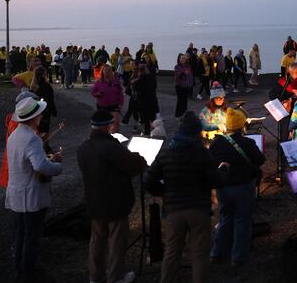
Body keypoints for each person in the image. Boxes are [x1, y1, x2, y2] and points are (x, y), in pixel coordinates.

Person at [144, 112, 228, 283]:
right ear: (196, 132)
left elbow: (148, 179)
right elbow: (216, 181)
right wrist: (223, 170)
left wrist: (163, 191)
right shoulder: (202, 153)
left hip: (174, 209)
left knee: (172, 251)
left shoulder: (166, 152)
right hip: (199, 208)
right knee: (199, 254)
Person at [77, 110, 145, 283]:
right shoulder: (112, 147)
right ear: (108, 126)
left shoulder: (84, 147)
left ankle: (96, 277)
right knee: (116, 241)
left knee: (97, 240)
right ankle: (115, 277)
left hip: (94, 200)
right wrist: (139, 159)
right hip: (115, 200)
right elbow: (132, 166)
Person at [5, 96, 63, 282]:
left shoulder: (14, 135)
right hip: (30, 195)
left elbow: (26, 162)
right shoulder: (32, 138)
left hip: (16, 194)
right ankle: (28, 273)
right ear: (35, 117)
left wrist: (47, 159)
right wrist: (57, 166)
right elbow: (39, 166)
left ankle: (19, 269)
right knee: (32, 237)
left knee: (20, 235)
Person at [208, 108, 265, 266]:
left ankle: (216, 253)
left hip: (223, 187)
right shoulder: (248, 142)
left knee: (225, 217)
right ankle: (238, 257)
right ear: (242, 126)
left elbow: (211, 163)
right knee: (242, 219)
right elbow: (260, 160)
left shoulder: (217, 143)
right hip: (243, 186)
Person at [91, 65, 125, 133]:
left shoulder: (115, 81)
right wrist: (98, 94)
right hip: (102, 106)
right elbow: (93, 92)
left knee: (116, 123)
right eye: (105, 70)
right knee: (104, 125)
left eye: (109, 70)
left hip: (114, 105)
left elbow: (120, 93)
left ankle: (115, 138)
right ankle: (105, 137)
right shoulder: (98, 82)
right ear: (102, 72)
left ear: (111, 71)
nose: (107, 72)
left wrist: (121, 103)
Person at [30, 66, 57, 137]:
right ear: (44, 75)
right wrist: (54, 112)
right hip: (45, 112)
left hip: (35, 112)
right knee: (44, 133)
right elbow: (50, 100)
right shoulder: (46, 86)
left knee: (36, 132)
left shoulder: (33, 86)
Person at [174, 53, 194, 118]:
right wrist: (184, 73)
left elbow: (190, 76)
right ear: (179, 59)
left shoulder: (188, 66)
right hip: (180, 86)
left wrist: (191, 83)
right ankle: (178, 115)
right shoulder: (177, 67)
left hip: (187, 86)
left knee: (185, 101)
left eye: (184, 58)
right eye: (182, 58)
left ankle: (184, 115)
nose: (183, 59)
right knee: (180, 101)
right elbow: (178, 76)